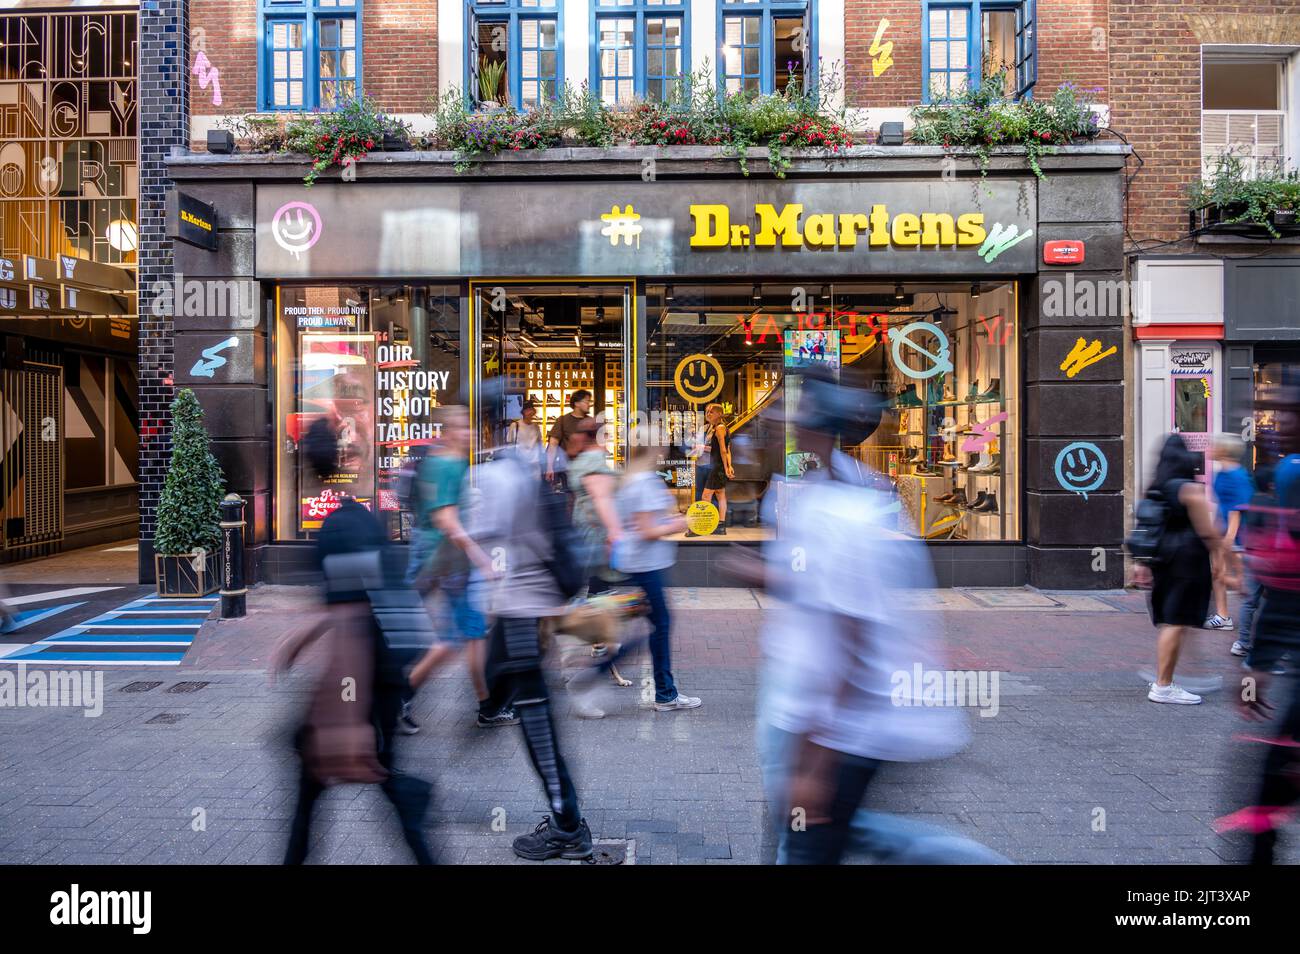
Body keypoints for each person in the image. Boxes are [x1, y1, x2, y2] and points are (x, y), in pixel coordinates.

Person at [721, 369, 971, 865]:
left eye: (781, 419)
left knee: (812, 838)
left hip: (843, 725)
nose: (767, 425)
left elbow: (851, 635)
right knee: (815, 833)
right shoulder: (819, 493)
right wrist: (767, 577)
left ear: (811, 431)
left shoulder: (836, 511)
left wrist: (816, 761)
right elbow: (829, 590)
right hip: (808, 710)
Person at [274, 418, 435, 865]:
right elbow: (357, 602)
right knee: (350, 774)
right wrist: (303, 638)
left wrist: (345, 707)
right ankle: (407, 802)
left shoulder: (338, 529)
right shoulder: (359, 520)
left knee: (341, 770)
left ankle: (410, 804)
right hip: (386, 667)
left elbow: (351, 620)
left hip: (368, 672)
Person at [475, 386, 594, 860]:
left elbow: (490, 544)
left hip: (519, 613)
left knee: (537, 721)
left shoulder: (499, 473)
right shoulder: (522, 464)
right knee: (526, 709)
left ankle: (568, 825)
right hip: (526, 609)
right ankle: (566, 819)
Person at [405, 405, 517, 729]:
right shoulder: (444, 465)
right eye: (461, 427)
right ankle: (400, 695)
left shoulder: (455, 462)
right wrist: (483, 560)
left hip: (454, 561)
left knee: (472, 633)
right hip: (449, 562)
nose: (468, 432)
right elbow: (446, 520)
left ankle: (487, 706)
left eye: (469, 426)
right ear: (446, 431)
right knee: (457, 638)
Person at [607, 427, 702, 712]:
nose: (665, 447)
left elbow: (642, 522)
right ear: (653, 447)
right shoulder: (645, 481)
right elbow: (648, 530)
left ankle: (664, 691)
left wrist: (667, 518)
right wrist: (681, 523)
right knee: (660, 625)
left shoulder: (630, 478)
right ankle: (663, 693)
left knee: (655, 624)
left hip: (640, 563)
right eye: (661, 443)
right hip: (647, 564)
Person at [1138, 433, 1233, 705]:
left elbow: (1146, 528)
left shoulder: (1156, 487)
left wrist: (1141, 564)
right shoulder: (1190, 490)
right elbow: (1208, 532)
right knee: (1177, 622)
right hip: (1187, 563)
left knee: (1175, 621)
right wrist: (1226, 563)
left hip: (1164, 563)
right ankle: (1163, 685)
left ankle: (1173, 677)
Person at [1208, 433, 1252, 631]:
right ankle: (1222, 615)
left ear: (1223, 450)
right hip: (1223, 532)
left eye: (1214, 445)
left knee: (1245, 580)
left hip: (1237, 536)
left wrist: (1230, 537)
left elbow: (1238, 509)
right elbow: (1222, 505)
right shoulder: (1220, 474)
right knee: (1217, 572)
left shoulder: (1238, 475)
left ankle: (1255, 612)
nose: (1210, 448)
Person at [689, 403, 736, 537]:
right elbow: (728, 450)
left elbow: (723, 449)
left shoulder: (720, 428)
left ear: (719, 414)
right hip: (717, 465)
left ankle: (705, 525)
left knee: (706, 495)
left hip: (717, 466)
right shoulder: (718, 427)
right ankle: (721, 525)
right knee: (720, 494)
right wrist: (729, 465)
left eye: (711, 412)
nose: (708, 414)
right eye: (707, 411)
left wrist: (726, 468)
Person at [545, 389, 592, 487]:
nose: (589, 404)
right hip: (568, 470)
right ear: (577, 403)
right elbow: (553, 445)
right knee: (571, 498)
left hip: (587, 470)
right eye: (587, 401)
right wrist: (549, 467)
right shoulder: (563, 421)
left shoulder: (590, 422)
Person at [507, 399, 543, 472]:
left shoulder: (536, 427)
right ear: (523, 412)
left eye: (531, 409)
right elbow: (509, 446)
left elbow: (539, 445)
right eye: (527, 410)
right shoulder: (515, 425)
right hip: (519, 465)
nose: (529, 412)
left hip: (534, 465)